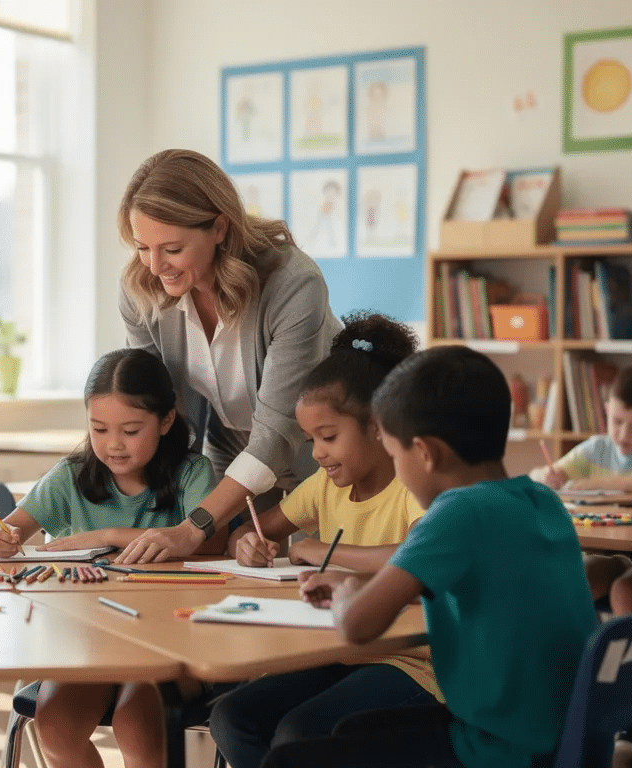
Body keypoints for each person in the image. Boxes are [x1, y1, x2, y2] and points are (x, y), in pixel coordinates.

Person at [268, 346, 597, 768]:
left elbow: (356, 624)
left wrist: (350, 588)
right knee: (356, 731)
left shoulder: (456, 513)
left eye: (394, 452)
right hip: (560, 737)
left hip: (496, 749)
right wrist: (364, 585)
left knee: (286, 761)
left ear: (425, 452)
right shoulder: (540, 501)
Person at [208, 313, 439, 768]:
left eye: (328, 437)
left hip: (415, 661)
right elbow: (255, 530)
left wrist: (317, 552)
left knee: (301, 733)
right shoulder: (325, 487)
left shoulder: (413, 486)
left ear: (379, 425)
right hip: (338, 648)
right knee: (233, 717)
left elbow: (417, 555)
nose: (316, 454)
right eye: (310, 439)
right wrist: (246, 545)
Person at [0, 348, 218, 768]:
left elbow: (209, 543)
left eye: (130, 430)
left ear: (166, 421)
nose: (113, 445)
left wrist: (107, 535)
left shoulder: (192, 473)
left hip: (166, 643)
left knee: (137, 723)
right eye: (99, 429)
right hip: (84, 640)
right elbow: (7, 529)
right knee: (54, 723)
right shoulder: (69, 477)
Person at [115, 148, 341, 564]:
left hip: (326, 452)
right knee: (240, 569)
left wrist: (190, 527)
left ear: (219, 227)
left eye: (172, 248)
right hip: (232, 448)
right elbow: (154, 411)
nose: (154, 265)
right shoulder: (141, 288)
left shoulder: (292, 284)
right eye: (142, 246)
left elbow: (276, 431)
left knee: (322, 572)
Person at [529, 364, 632, 613]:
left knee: (624, 590)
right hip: (613, 554)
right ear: (606, 410)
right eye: (616, 421)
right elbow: (536, 476)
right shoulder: (597, 448)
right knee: (574, 582)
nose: (623, 434)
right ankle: (591, 650)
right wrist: (547, 475)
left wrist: (601, 484)